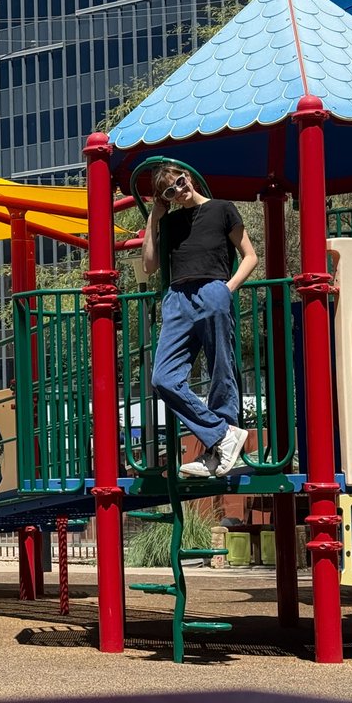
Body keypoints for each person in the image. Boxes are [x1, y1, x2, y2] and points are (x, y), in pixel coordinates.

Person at [141, 165, 259, 478]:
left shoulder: (222, 209)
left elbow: (250, 256)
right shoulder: (171, 222)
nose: (179, 191)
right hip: (178, 297)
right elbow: (150, 265)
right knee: (163, 378)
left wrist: (226, 289)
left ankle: (215, 452)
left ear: (189, 178)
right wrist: (155, 215)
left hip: (213, 288)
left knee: (220, 366)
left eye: (180, 183)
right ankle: (222, 435)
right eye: (170, 191)